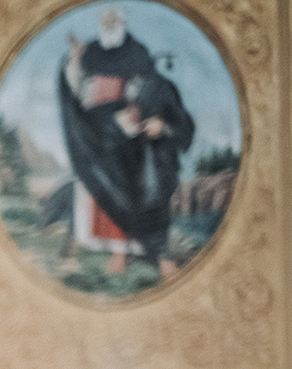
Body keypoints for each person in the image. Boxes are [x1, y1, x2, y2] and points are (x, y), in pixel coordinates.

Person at [59, 7, 194, 278]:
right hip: (97, 132)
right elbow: (78, 91)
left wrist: (148, 121)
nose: (109, 25)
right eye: (105, 21)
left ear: (121, 23)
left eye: (113, 21)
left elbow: (147, 94)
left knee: (136, 184)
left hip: (128, 135)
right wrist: (74, 62)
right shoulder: (90, 52)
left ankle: (137, 253)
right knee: (91, 185)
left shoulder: (138, 52)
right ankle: (96, 251)